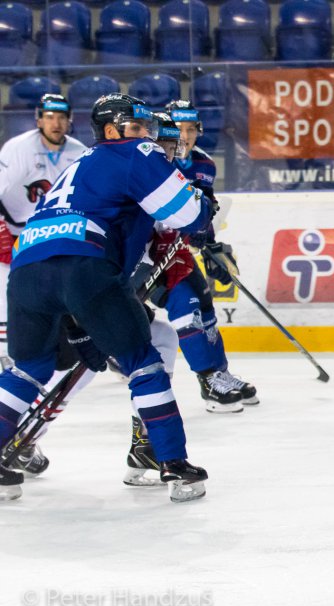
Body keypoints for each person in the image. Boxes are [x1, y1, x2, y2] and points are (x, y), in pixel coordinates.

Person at [0, 93, 214, 503]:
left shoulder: (79, 163)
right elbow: (190, 214)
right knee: (143, 362)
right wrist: (204, 209)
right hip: (84, 270)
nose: (148, 136)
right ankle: (170, 460)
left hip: (28, 268)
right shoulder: (137, 153)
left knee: (28, 368)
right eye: (138, 127)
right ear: (113, 130)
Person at [161, 99, 258, 413]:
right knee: (185, 304)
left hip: (176, 252)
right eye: (178, 129)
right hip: (148, 254)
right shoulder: (155, 161)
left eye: (191, 129)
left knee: (204, 303)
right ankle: (208, 382)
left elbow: (206, 210)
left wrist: (211, 246)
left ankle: (219, 373)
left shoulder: (204, 164)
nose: (185, 136)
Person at [0, 94, 88, 369]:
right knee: (6, 295)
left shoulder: (79, 152)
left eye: (61, 117)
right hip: (14, 235)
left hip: (53, 237)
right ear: (39, 120)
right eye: (49, 117)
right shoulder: (17, 149)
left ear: (69, 120)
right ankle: (6, 358)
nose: (56, 123)